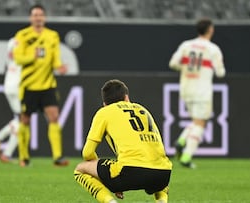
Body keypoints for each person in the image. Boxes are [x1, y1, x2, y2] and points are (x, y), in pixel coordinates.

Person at [74, 79, 172, 203]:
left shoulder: (104, 112)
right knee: (158, 163)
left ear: (105, 103)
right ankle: (162, 201)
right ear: (126, 97)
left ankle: (110, 202)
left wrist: (106, 177)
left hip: (129, 171)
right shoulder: (143, 110)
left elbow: (87, 153)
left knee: (80, 169)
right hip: (163, 176)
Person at [13, 4, 68, 167]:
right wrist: (33, 55)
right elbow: (18, 59)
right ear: (31, 18)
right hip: (29, 85)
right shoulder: (22, 35)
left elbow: (55, 57)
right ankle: (24, 157)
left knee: (54, 117)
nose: (38, 18)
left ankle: (57, 157)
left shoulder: (53, 36)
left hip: (47, 84)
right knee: (25, 120)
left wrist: (60, 66)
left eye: (40, 15)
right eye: (35, 15)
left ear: (44, 17)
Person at [169, 18, 226, 168]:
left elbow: (173, 63)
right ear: (210, 30)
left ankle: (181, 141)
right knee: (200, 123)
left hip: (186, 88)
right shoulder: (213, 49)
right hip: (202, 91)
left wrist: (187, 68)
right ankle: (186, 157)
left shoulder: (186, 45)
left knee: (195, 121)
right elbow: (220, 73)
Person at [0, 38, 21, 163]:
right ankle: (5, 150)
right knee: (22, 122)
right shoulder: (26, 41)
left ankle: (0, 140)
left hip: (9, 83)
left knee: (20, 120)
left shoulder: (12, 41)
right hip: (18, 85)